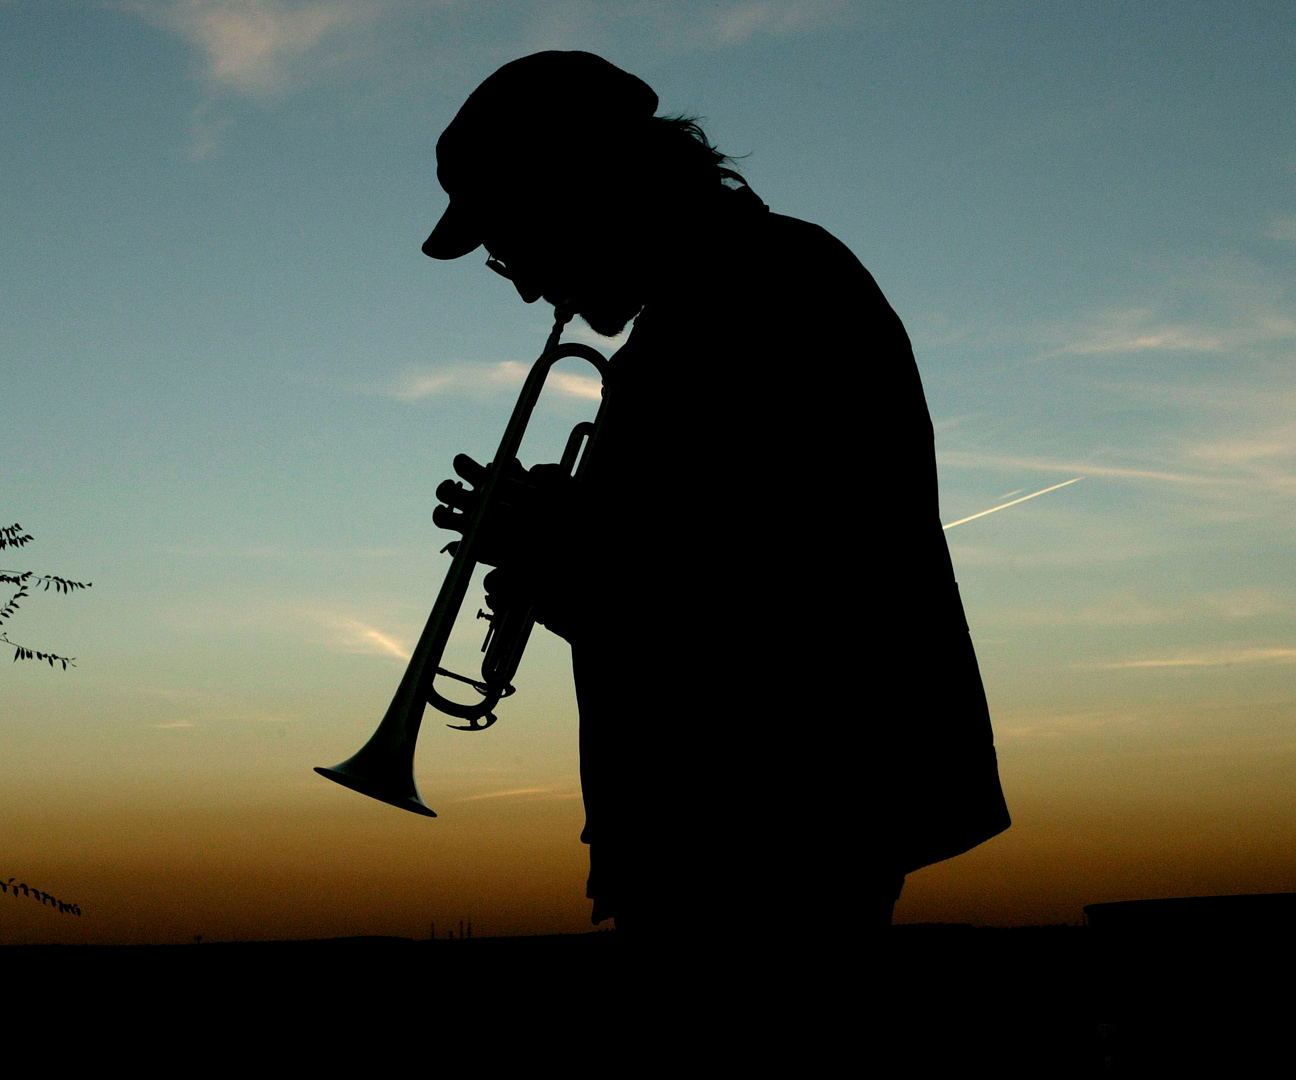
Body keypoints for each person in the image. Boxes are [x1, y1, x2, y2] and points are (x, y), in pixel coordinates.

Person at [424, 51, 1010, 940]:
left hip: (772, 821)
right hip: (732, 822)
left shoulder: (766, 296)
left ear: (583, 189)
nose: (535, 285)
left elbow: (774, 599)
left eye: (518, 245)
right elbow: (692, 565)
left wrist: (560, 555)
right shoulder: (713, 308)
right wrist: (565, 546)